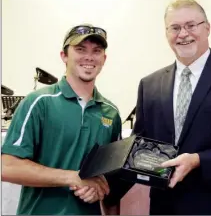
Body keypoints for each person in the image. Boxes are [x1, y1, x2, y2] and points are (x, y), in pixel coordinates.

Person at [132, 0, 211, 215]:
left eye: (191, 25)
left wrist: (198, 160)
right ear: (166, 34)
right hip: (165, 206)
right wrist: (100, 183)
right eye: (175, 28)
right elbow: (140, 145)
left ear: (207, 28)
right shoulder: (149, 84)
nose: (183, 34)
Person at [1, 23, 122, 215]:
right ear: (64, 56)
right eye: (80, 49)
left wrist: (99, 187)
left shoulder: (111, 113)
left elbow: (111, 181)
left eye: (96, 51)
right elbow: (7, 167)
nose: (89, 57)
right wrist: (73, 178)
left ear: (104, 58)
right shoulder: (39, 102)